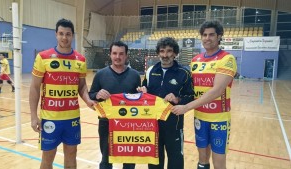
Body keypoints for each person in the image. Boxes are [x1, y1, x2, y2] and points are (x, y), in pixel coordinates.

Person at [29, 18, 95, 169]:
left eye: (68, 34)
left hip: (72, 119)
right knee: (48, 157)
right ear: (56, 35)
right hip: (50, 119)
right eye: (61, 34)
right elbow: (34, 88)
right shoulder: (43, 57)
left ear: (72, 36)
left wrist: (88, 100)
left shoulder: (80, 60)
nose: (64, 37)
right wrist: (34, 116)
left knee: (71, 155)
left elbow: (82, 87)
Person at [172, 20, 237, 169]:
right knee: (202, 159)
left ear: (219, 36)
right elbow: (190, 89)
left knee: (219, 162)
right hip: (200, 117)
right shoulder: (196, 60)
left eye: (211, 35)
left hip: (219, 119)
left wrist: (186, 107)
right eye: (204, 35)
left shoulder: (227, 59)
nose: (207, 38)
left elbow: (216, 91)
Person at [137, 37, 194, 169]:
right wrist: (142, 91)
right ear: (158, 53)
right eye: (162, 51)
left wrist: (177, 99)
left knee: (175, 160)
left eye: (169, 51)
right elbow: (144, 89)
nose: (165, 55)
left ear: (175, 53)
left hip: (174, 125)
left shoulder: (184, 73)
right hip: (152, 124)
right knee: (154, 160)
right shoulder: (150, 71)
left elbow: (191, 97)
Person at [89, 41, 140, 169]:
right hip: (106, 122)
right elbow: (91, 94)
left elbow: (139, 99)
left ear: (126, 55)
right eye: (115, 53)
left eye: (121, 54)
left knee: (129, 160)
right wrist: (97, 95)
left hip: (129, 124)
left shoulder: (135, 75)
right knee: (106, 159)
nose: (118, 57)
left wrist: (142, 93)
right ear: (110, 55)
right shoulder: (101, 74)